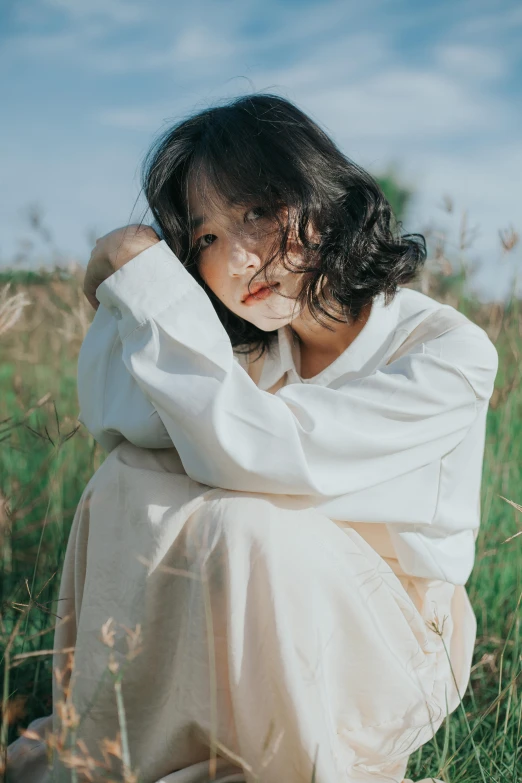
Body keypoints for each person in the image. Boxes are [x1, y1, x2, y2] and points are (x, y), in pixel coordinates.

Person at [7, 94, 498, 783]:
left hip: (390, 644)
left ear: (324, 197)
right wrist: (132, 274)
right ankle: (114, 743)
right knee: (126, 476)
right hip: (259, 613)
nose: (238, 259)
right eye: (204, 239)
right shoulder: (258, 347)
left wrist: (139, 273)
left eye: (257, 212)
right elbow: (118, 415)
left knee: (243, 519)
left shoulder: (448, 351)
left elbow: (263, 447)